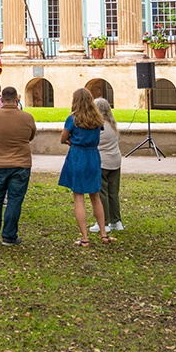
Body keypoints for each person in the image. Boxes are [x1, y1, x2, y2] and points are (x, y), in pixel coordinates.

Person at [59, 88, 111, 246]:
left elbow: (63, 138)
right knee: (96, 196)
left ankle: (85, 238)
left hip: (78, 155)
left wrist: (71, 141)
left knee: (79, 198)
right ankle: (103, 234)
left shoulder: (73, 119)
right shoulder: (97, 119)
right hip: (93, 156)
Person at [0, 86, 36, 245]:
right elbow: (31, 136)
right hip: (20, 163)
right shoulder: (27, 117)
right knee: (14, 200)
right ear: (17, 99)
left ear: (2, 99)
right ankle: (9, 235)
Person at [92, 98, 124, 234]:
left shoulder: (97, 126)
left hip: (102, 162)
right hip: (115, 161)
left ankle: (103, 222)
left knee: (101, 193)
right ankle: (116, 221)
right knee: (113, 193)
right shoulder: (112, 125)